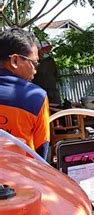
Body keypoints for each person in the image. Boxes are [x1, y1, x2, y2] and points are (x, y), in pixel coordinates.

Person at [0, 28, 50, 159]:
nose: (35, 70)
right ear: (15, 61)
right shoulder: (36, 96)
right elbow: (41, 149)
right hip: (19, 176)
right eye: (34, 63)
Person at [34, 41, 61, 105]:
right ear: (38, 50)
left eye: (48, 50)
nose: (47, 52)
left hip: (53, 92)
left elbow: (56, 74)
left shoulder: (50, 60)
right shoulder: (34, 62)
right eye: (44, 50)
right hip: (39, 92)